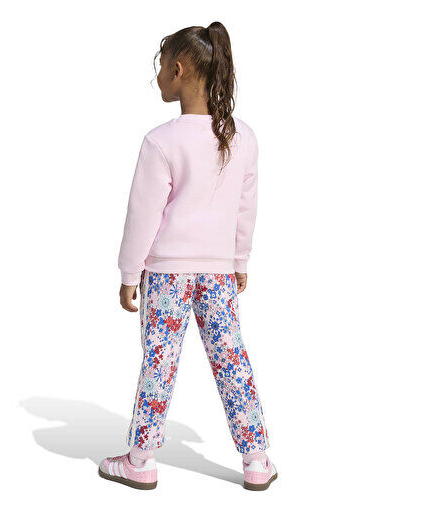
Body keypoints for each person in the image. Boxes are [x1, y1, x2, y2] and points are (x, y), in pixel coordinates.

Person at [98, 22, 276, 491]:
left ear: (178, 71)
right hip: (218, 273)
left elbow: (143, 214)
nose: (157, 76)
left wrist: (129, 273)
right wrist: (239, 261)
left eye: (160, 67)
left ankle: (141, 460)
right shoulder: (242, 137)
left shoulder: (161, 140)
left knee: (159, 363)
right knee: (232, 360)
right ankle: (257, 459)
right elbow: (246, 208)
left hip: (166, 274)